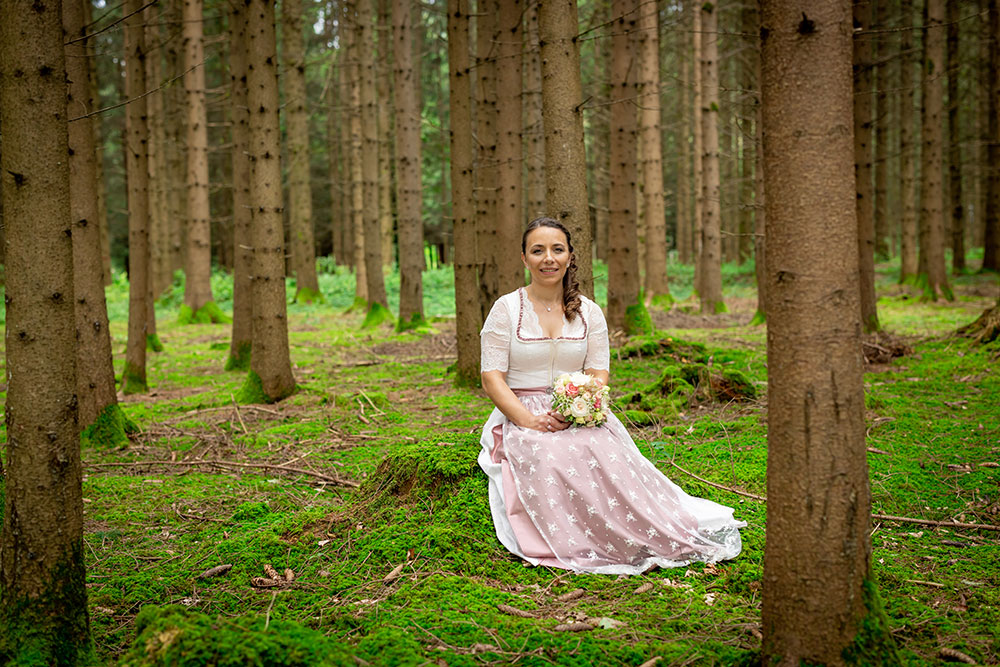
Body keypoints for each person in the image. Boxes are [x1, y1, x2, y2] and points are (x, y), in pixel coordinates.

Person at [477, 217, 744, 574]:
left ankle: (630, 533)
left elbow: (598, 371)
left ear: (571, 257)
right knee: (548, 454)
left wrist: (579, 405)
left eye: (557, 249)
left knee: (598, 451)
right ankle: (571, 540)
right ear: (524, 259)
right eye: (537, 250)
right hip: (521, 410)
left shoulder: (589, 312)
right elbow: (491, 376)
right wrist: (530, 420)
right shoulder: (506, 309)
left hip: (578, 408)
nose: (548, 258)